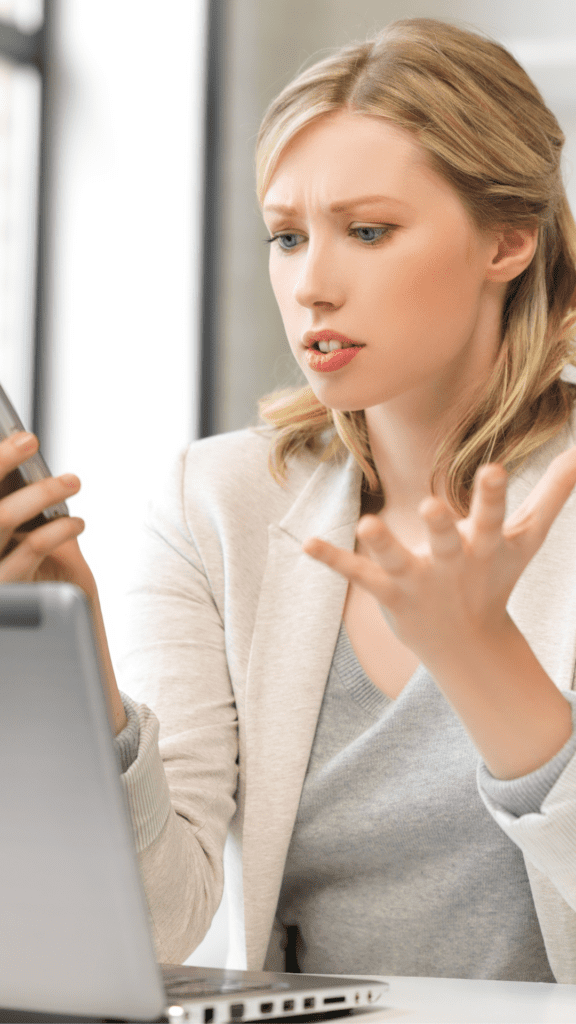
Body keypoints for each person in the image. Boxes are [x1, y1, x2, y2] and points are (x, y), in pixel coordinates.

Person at [2, 16, 576, 983]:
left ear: (509, 242)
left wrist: (485, 663)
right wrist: (71, 644)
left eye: (367, 231)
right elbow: (155, 928)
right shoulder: (217, 503)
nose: (310, 284)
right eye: (285, 236)